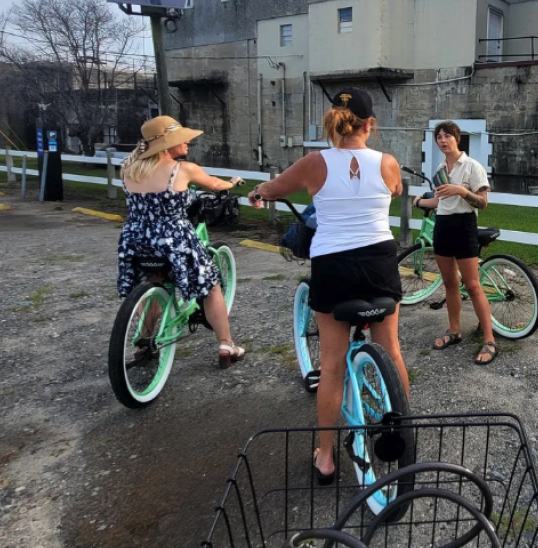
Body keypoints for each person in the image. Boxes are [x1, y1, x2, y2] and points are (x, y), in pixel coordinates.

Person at [249, 87, 408, 485]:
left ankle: (325, 456)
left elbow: (272, 189)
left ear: (333, 123)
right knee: (391, 348)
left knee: (333, 364)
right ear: (370, 125)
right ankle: (403, 429)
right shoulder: (388, 163)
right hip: (380, 264)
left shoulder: (313, 164)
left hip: (334, 266)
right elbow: (397, 191)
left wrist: (258, 192)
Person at [117, 116, 245, 368]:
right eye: (180, 138)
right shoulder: (183, 169)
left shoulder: (128, 167)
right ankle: (226, 343)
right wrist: (232, 182)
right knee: (211, 286)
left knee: (152, 285)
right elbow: (216, 185)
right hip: (174, 238)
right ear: (165, 145)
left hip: (136, 239)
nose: (187, 141)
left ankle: (144, 343)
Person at [413, 121, 497, 365]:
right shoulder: (440, 169)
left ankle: (490, 339)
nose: (442, 140)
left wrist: (461, 191)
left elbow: (483, 202)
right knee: (450, 283)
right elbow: (441, 202)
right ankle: (454, 331)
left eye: (446, 135)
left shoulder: (472, 167)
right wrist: (419, 202)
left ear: (457, 138)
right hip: (443, 226)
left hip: (464, 226)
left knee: (472, 285)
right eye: (438, 136)